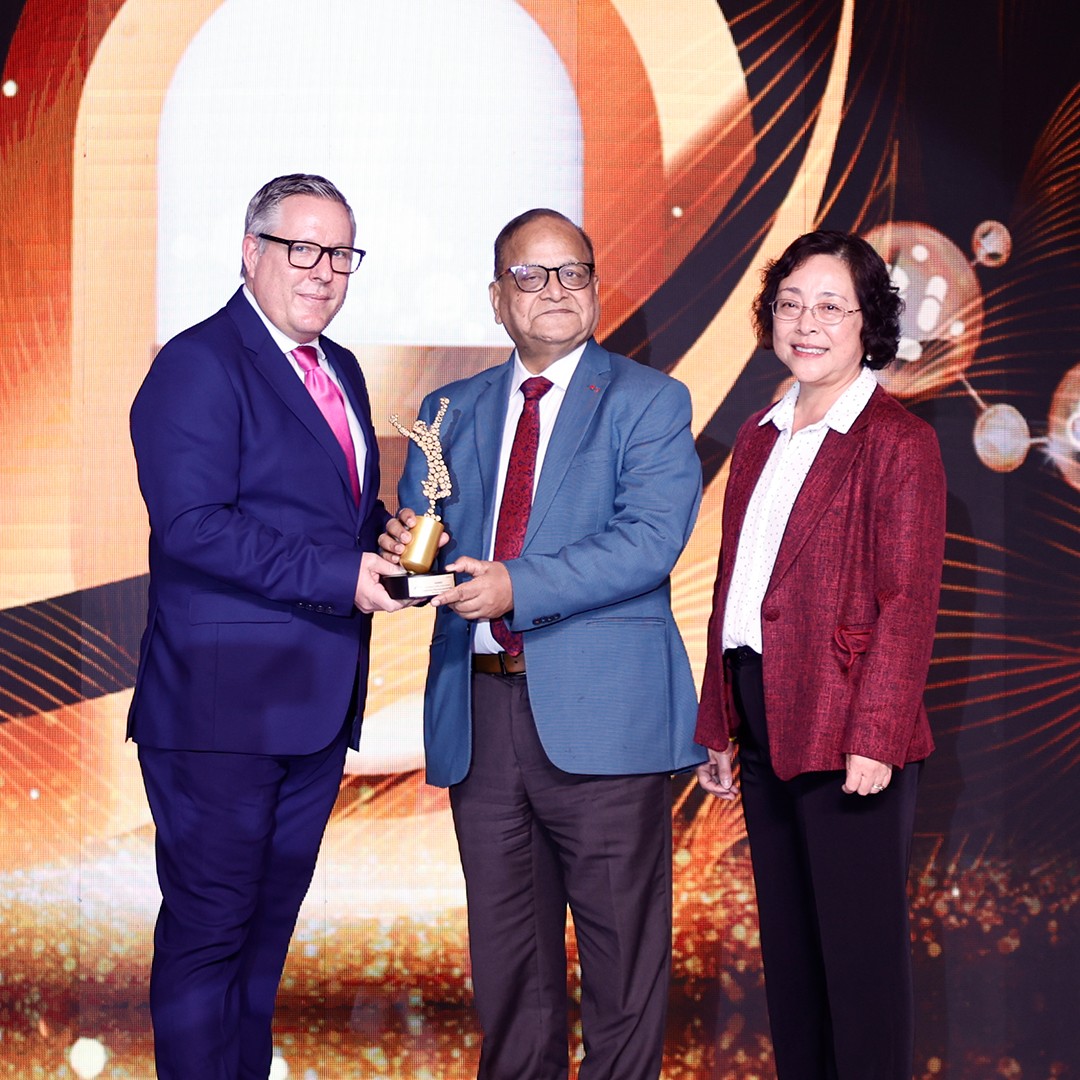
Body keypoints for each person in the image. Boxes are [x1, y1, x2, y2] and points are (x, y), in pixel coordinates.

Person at [380, 208, 705, 1079]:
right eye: (531, 275)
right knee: (510, 971)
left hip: (605, 720)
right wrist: (408, 548)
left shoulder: (650, 400)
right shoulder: (447, 410)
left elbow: (649, 541)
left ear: (595, 287)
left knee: (622, 969)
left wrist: (517, 586)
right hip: (481, 714)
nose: (556, 290)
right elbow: (429, 531)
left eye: (574, 272)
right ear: (497, 298)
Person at [128, 173, 405, 1080]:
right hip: (219, 714)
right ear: (252, 252)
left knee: (261, 944)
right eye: (303, 249)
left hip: (314, 709)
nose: (324, 271)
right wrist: (340, 575)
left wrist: (386, 539)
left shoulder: (340, 367)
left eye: (341, 254)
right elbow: (193, 524)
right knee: (210, 937)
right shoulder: (198, 363)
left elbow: (326, 513)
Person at [694, 230, 947, 1079]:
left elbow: (907, 602)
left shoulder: (897, 441)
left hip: (849, 729)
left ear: (869, 322)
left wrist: (876, 736)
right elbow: (734, 588)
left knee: (859, 965)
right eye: (791, 304)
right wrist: (718, 721)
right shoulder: (760, 435)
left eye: (831, 307)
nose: (807, 324)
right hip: (760, 709)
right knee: (792, 960)